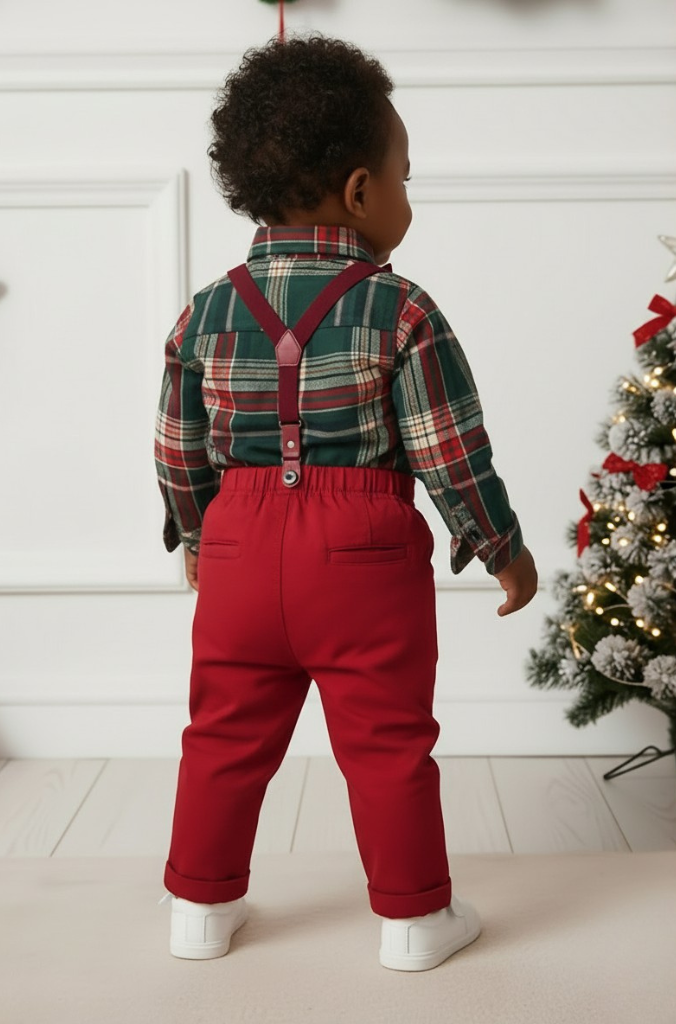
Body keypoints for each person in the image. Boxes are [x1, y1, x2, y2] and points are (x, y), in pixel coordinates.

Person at [154, 33, 538, 972]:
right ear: (362, 192)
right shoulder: (401, 309)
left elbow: (177, 447)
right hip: (359, 552)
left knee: (224, 733)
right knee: (388, 741)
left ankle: (199, 912)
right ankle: (412, 922)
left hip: (241, 545)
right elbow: (450, 449)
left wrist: (199, 536)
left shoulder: (204, 311)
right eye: (407, 175)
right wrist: (501, 546)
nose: (411, 195)